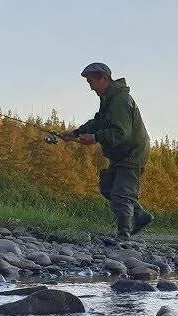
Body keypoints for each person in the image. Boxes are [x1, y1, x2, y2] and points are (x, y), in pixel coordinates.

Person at [62, 63, 152, 243]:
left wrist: (94, 138)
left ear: (104, 78)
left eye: (91, 81)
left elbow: (120, 133)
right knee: (108, 187)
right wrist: (76, 133)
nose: (90, 86)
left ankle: (123, 236)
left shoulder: (120, 100)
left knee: (122, 193)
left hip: (133, 152)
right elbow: (99, 122)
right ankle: (140, 215)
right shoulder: (108, 99)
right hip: (122, 153)